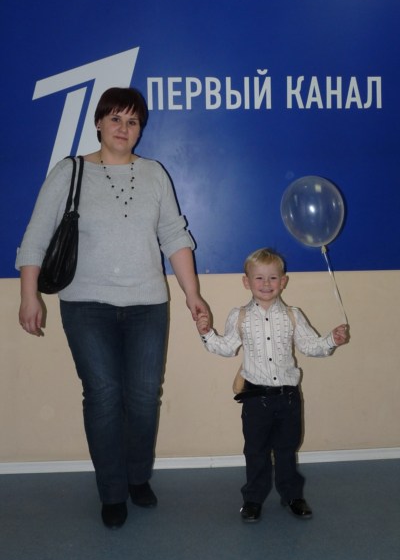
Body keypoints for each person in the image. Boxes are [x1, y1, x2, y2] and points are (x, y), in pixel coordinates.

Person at [16, 86, 209, 529]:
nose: (124, 128)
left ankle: (137, 477)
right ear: (99, 123)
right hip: (86, 306)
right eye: (116, 118)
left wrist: (192, 294)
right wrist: (29, 295)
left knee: (143, 397)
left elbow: (174, 235)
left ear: (141, 129)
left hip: (147, 306)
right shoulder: (69, 172)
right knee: (103, 395)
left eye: (133, 121)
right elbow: (37, 234)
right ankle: (111, 490)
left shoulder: (155, 174)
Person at [196, 247, 348, 523]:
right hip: (256, 400)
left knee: (287, 449)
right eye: (259, 278)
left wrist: (331, 340)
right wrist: (206, 333)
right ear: (246, 282)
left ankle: (292, 495)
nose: (266, 284)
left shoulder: (293, 315)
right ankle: (253, 499)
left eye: (273, 278)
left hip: (288, 398)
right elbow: (226, 347)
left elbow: (310, 346)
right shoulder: (239, 316)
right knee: (255, 451)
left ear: (283, 281)